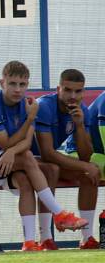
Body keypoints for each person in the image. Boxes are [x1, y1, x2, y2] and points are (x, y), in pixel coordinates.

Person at [0, 61, 86, 252]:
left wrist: (12, 152)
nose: (17, 89)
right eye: (12, 84)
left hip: (7, 157)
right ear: (2, 83)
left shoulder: (27, 104)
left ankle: (30, 242)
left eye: (22, 85)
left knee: (26, 180)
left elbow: (26, 142)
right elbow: (5, 143)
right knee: (29, 158)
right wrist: (28, 121)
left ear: (27, 85)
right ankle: (60, 214)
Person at [33, 69, 99, 249]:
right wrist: (85, 164)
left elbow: (85, 155)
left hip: (45, 161)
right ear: (58, 89)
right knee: (51, 169)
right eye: (68, 90)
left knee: (89, 173)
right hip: (25, 158)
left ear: (83, 92)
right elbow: (46, 153)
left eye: (78, 91)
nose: (73, 96)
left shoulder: (81, 110)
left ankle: (87, 238)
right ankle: (45, 238)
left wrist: (78, 125)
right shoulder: (44, 106)